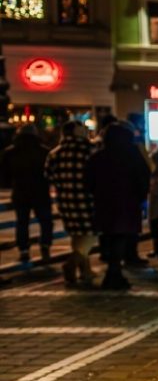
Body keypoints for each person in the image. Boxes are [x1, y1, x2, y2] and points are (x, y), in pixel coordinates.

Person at [85, 122, 150, 290]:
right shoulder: (132, 155)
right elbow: (143, 176)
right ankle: (114, 274)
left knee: (110, 237)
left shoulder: (98, 156)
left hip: (105, 203)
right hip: (127, 203)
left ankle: (114, 273)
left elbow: (88, 181)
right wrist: (141, 197)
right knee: (120, 238)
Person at [45, 121, 97, 287]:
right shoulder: (89, 150)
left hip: (65, 200)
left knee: (76, 235)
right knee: (89, 234)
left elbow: (48, 175)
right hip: (88, 199)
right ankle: (72, 263)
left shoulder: (54, 153)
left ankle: (85, 271)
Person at [0, 124, 54, 265]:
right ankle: (45, 245)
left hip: (20, 191)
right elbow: (50, 173)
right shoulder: (44, 152)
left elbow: (5, 176)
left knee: (22, 222)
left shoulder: (10, 152)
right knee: (45, 221)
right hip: (40, 191)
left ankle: (23, 249)